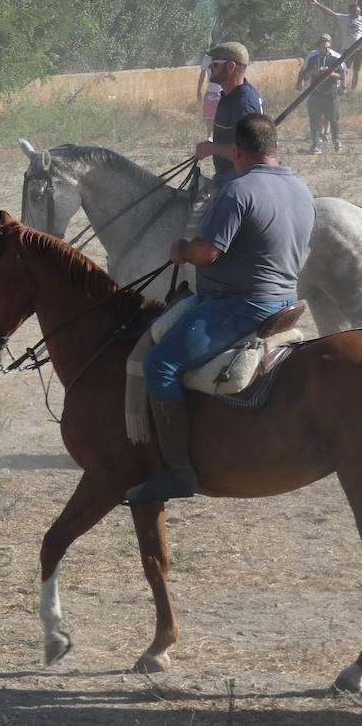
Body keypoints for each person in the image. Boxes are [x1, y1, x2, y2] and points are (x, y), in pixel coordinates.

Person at [128, 114, 314, 503]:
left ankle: (176, 474)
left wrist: (181, 250)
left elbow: (208, 252)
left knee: (159, 363)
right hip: (286, 299)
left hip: (239, 305)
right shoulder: (300, 189)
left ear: (239, 151)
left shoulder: (237, 190)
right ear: (274, 148)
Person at [192, 41, 263, 192]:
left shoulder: (243, 104)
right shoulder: (229, 95)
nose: (210, 67)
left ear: (231, 66)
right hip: (228, 175)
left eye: (215, 64)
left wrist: (212, 148)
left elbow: (246, 155)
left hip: (239, 180)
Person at [297, 33, 344, 154]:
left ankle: (336, 140)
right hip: (316, 94)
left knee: (334, 119)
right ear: (319, 47)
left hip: (330, 94)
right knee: (314, 120)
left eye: (328, 47)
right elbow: (306, 75)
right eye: (324, 47)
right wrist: (314, 71)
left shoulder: (334, 59)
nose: (326, 49)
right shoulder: (313, 59)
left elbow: (341, 75)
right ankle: (315, 145)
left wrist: (330, 73)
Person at [308, 0, 362, 87]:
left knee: (356, 71)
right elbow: (330, 13)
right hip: (347, 49)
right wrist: (317, 4)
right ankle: (342, 87)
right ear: (350, 12)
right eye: (355, 11)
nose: (357, 13)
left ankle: (352, 90)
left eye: (358, 11)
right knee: (345, 69)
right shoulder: (344, 18)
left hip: (359, 49)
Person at [195, 53, 221, 141]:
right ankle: (209, 137)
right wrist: (199, 90)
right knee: (209, 117)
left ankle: (219, 137)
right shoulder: (206, 59)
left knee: (221, 117)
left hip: (222, 92)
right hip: (211, 92)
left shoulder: (225, 57)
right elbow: (202, 75)